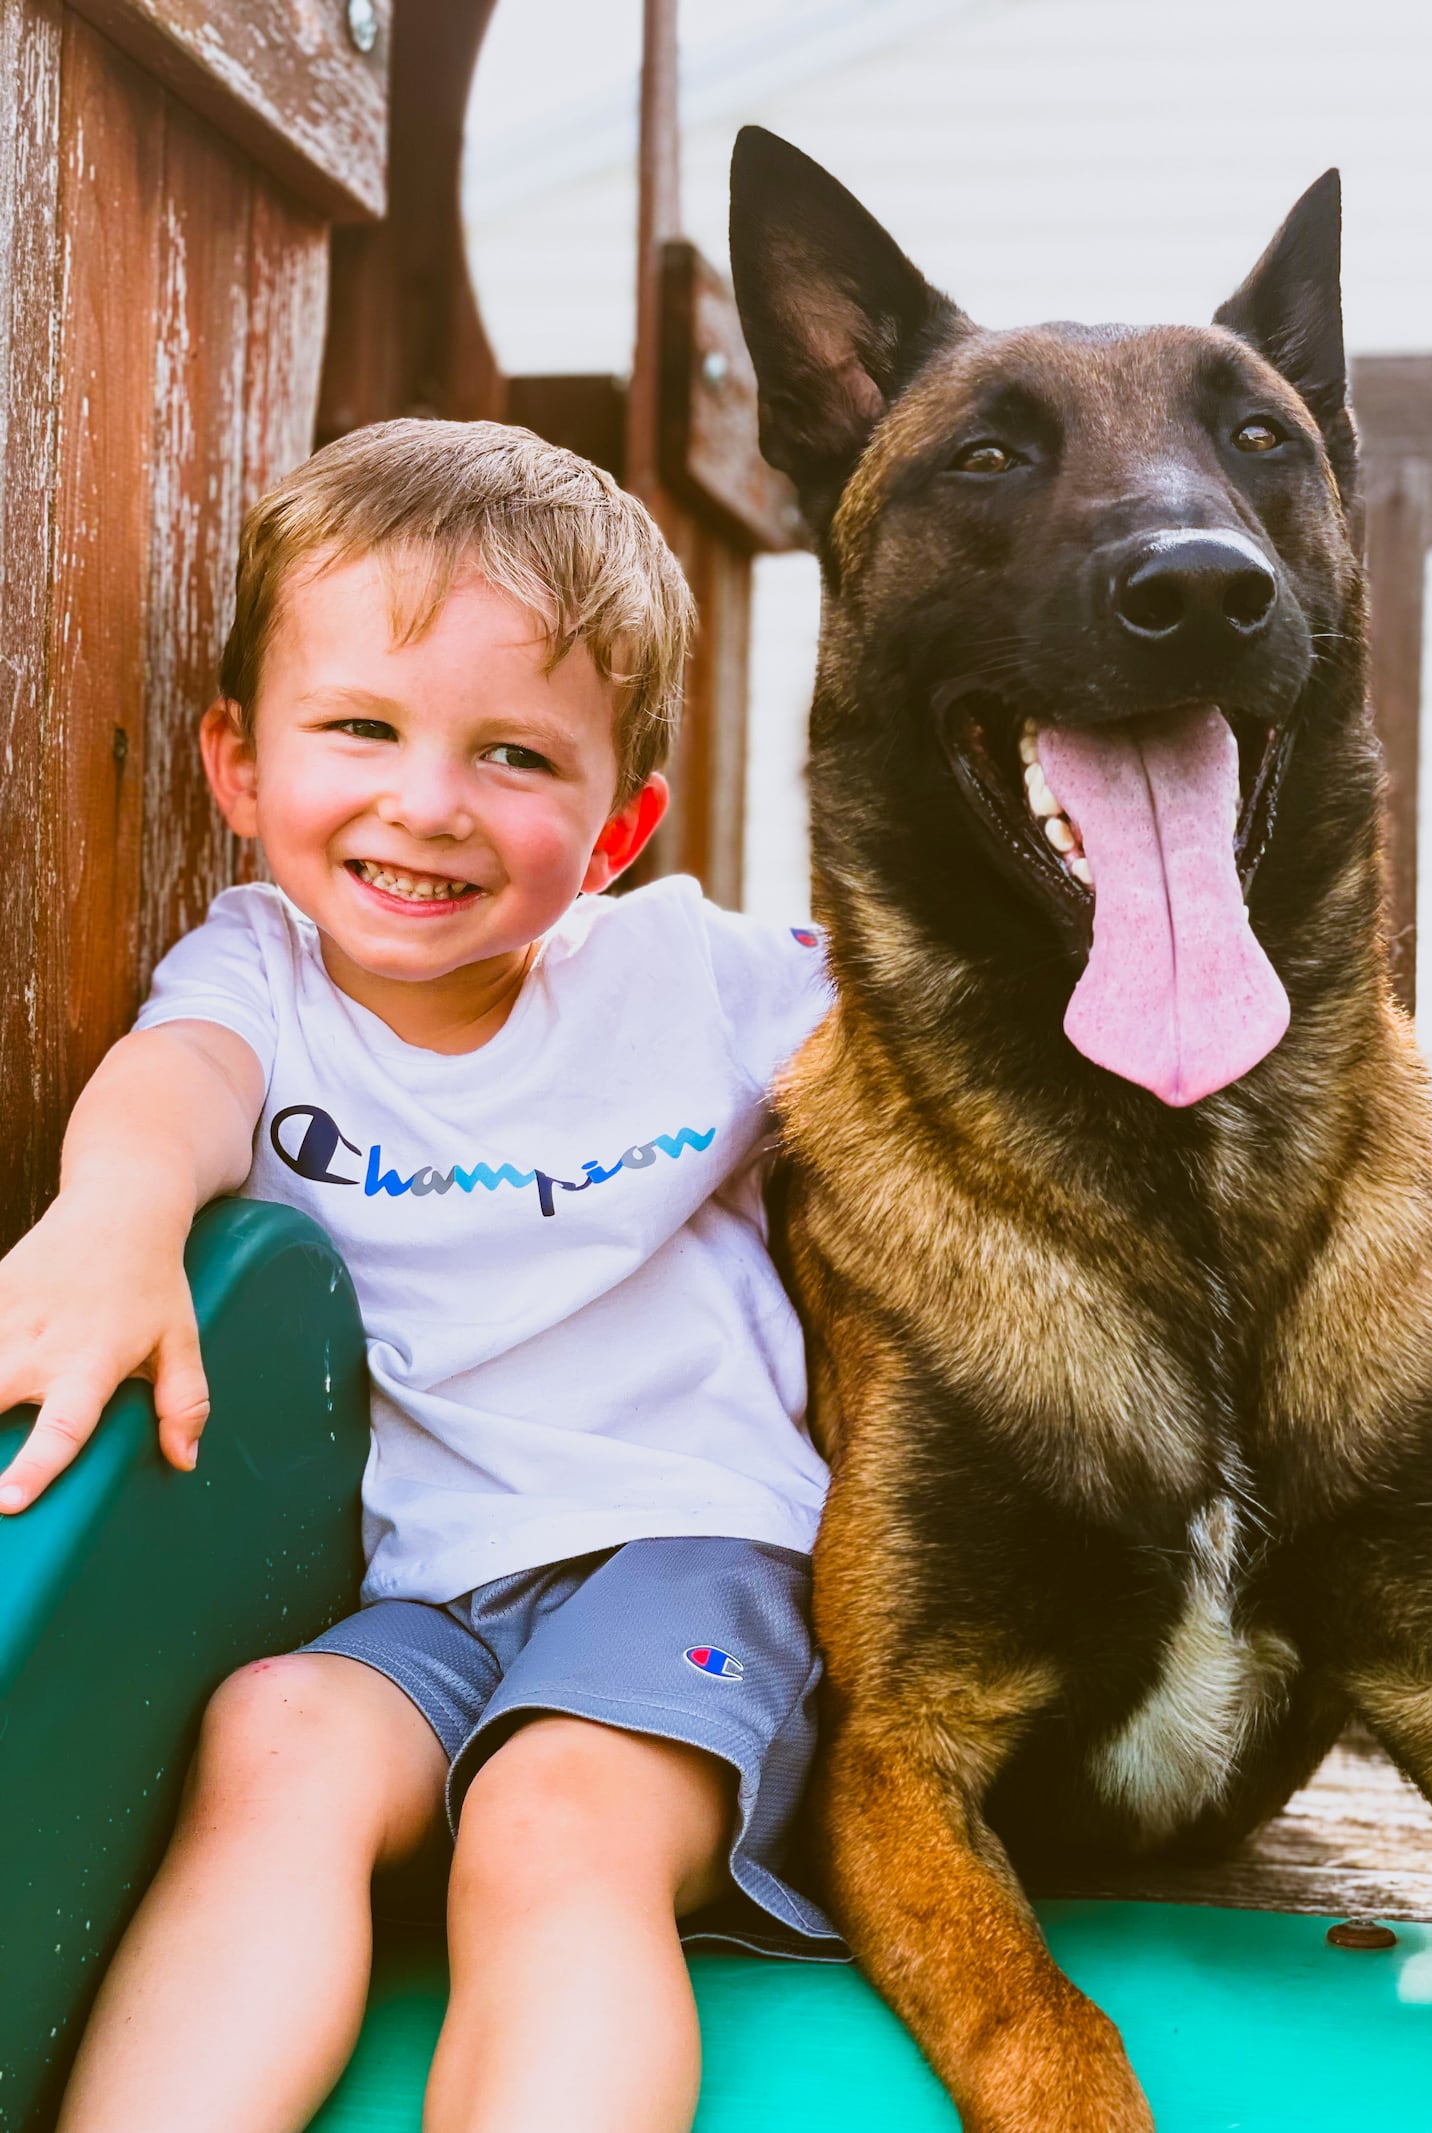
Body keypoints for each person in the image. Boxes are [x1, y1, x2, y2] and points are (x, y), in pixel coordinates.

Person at [0, 419, 841, 2133]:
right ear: (239, 760)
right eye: (361, 727)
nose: (429, 801)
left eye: (517, 755)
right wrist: (112, 1214)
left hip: (686, 1552)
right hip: (425, 1583)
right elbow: (179, 1088)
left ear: (618, 822)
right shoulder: (262, 970)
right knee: (275, 1734)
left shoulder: (703, 978)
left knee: (553, 1821)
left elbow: (959, 1030)